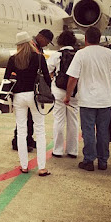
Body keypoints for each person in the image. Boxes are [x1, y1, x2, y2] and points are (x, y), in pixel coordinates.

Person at [63, 26, 111, 171]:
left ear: (86, 39)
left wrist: (68, 95)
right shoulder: (109, 53)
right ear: (99, 39)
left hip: (87, 100)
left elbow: (73, 78)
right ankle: (103, 161)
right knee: (103, 131)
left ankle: (89, 161)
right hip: (105, 100)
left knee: (88, 130)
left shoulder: (81, 54)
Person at [4, 31, 51, 176]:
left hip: (19, 97)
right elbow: (47, 79)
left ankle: (24, 166)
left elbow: (6, 79)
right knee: (40, 130)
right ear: (30, 42)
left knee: (21, 131)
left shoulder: (13, 59)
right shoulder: (38, 57)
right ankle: (41, 167)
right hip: (34, 96)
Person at [11, 29, 54, 151]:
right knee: (30, 121)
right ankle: (20, 141)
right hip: (31, 91)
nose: (47, 44)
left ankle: (26, 139)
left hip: (21, 93)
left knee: (26, 120)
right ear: (41, 37)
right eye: (47, 41)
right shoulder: (34, 51)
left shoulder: (34, 50)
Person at [47, 30, 79, 158]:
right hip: (75, 92)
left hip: (59, 91)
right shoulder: (78, 55)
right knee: (73, 121)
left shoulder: (56, 55)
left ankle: (58, 150)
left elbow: (47, 70)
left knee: (59, 120)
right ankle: (72, 150)